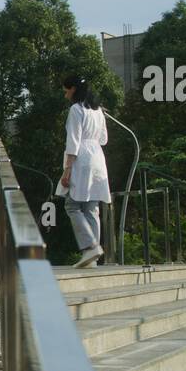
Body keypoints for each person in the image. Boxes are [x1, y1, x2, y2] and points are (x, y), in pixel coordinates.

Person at [59, 76, 111, 268]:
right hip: (98, 157)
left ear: (73, 89)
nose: (65, 95)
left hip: (81, 157)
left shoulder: (76, 109)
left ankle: (90, 247)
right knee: (91, 208)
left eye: (66, 90)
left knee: (72, 205)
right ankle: (92, 258)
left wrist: (67, 170)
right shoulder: (98, 110)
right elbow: (104, 138)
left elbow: (73, 141)